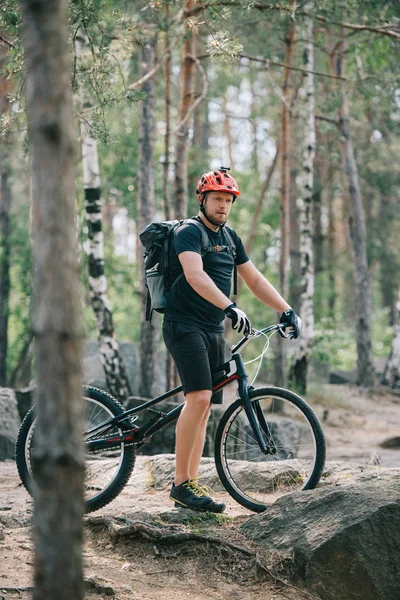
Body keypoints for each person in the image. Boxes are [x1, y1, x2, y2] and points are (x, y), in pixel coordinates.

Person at [163, 167, 301, 513]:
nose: (223, 205)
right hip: (184, 325)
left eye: (228, 200)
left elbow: (254, 279)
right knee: (199, 397)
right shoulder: (188, 233)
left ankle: (190, 484)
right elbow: (194, 276)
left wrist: (286, 309)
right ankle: (181, 484)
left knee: (206, 405)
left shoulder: (231, 237)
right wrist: (229, 306)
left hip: (212, 329)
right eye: (217, 199)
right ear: (203, 199)